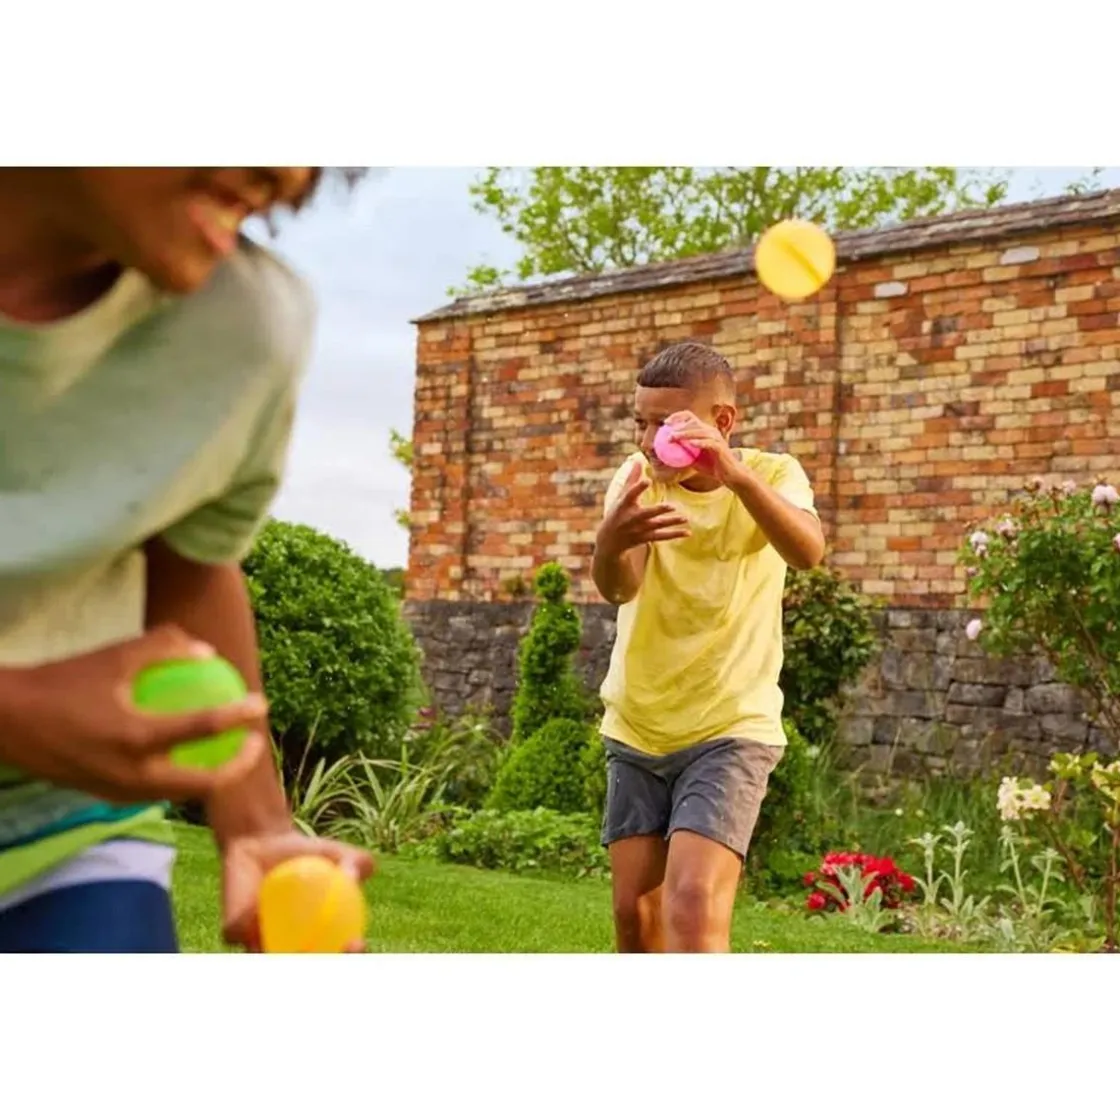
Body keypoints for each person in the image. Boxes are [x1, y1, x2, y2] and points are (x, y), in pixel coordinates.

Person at [0, 168, 374, 952]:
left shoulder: (240, 327)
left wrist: (257, 825)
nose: (289, 173)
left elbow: (189, 560)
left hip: (61, 827)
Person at [591, 340, 826, 953]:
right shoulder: (637, 479)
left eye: (665, 425)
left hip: (731, 725)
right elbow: (621, 587)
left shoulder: (774, 474)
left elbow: (807, 551)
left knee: (693, 904)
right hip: (638, 723)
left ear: (721, 421)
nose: (648, 441)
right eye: (639, 423)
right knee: (634, 919)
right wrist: (609, 543)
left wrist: (735, 476)